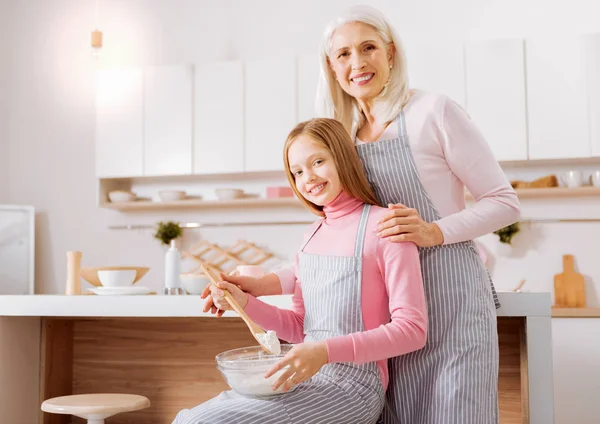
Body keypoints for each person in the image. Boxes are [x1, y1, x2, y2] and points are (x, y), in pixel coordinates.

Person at [205, 5, 520, 424]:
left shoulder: (435, 112)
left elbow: (504, 201)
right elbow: (346, 243)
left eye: (368, 47)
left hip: (449, 304)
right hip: (382, 321)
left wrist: (432, 232)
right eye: (343, 54)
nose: (357, 63)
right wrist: (261, 284)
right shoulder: (346, 136)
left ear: (391, 53)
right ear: (332, 68)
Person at [175, 118, 427, 424]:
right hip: (301, 376)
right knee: (189, 418)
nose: (308, 177)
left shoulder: (385, 226)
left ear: (343, 158)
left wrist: (323, 352)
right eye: (297, 171)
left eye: (318, 161)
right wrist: (244, 303)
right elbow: (298, 328)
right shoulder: (312, 236)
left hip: (352, 389)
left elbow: (412, 331)